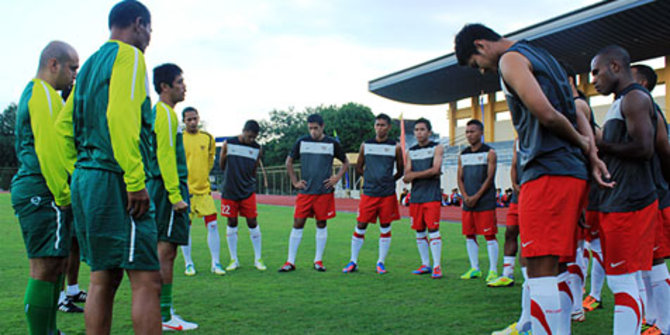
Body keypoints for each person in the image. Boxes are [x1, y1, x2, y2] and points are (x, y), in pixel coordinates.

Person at [455, 23, 611, 335]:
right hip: (568, 172)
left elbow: (547, 113)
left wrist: (582, 144)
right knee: (557, 265)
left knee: (538, 267)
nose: (483, 71)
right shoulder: (544, 55)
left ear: (480, 45)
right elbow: (579, 109)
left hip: (547, 171)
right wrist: (590, 153)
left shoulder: (510, 60)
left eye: (476, 64)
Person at [55, 1, 163, 333]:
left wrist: (81, 172)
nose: (150, 37)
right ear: (138, 23)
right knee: (147, 279)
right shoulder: (129, 56)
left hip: (87, 180)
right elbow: (120, 117)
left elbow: (62, 128)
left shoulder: (86, 66)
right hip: (116, 179)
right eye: (150, 29)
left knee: (103, 277)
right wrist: (134, 179)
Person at [12, 40, 78, 335]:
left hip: (40, 189)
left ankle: (50, 330)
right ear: (54, 64)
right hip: (42, 191)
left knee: (55, 267)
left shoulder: (43, 94)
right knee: (44, 269)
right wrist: (63, 195)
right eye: (72, 68)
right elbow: (50, 150)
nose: (75, 75)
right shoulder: (43, 94)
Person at [591, 45, 658, 335]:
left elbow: (644, 148)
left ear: (615, 66)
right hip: (620, 200)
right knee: (627, 277)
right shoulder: (624, 100)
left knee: (622, 278)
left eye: (596, 71)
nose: (593, 79)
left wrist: (602, 144)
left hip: (629, 201)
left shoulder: (634, 98)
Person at [146, 63, 198, 331]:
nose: (184, 86)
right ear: (164, 86)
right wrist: (175, 195)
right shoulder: (164, 114)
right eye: (179, 81)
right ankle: (164, 316)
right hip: (168, 190)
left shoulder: (167, 115)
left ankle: (164, 310)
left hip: (168, 187)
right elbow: (164, 156)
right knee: (165, 251)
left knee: (169, 250)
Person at [279, 114, 349, 272]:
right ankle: (290, 261)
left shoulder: (332, 143)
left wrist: (336, 178)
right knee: (298, 223)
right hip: (306, 191)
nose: (313, 131)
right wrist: (295, 181)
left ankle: (318, 261)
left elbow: (346, 162)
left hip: (324, 192)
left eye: (316, 128)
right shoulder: (302, 141)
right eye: (310, 128)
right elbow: (288, 161)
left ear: (322, 127)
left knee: (321, 223)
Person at [630, 64, 670, 335]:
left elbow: (661, 151)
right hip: (644, 196)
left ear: (642, 83)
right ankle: (654, 318)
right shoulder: (640, 110)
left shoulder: (648, 110)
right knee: (646, 259)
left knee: (655, 260)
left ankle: (665, 325)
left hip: (654, 195)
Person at [342, 113, 403, 274]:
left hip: (387, 194)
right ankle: (353, 261)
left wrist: (390, 181)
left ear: (389, 127)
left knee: (385, 226)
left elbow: (401, 169)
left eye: (383, 125)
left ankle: (380, 262)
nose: (379, 128)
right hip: (369, 193)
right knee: (361, 224)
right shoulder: (365, 145)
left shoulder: (395, 146)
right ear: (374, 126)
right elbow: (359, 167)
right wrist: (370, 178)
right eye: (377, 125)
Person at [181, 106, 225, 276]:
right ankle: (188, 263)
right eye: (188, 119)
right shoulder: (179, 139)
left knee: (213, 225)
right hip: (186, 191)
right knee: (186, 228)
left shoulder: (207, 138)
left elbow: (210, 159)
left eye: (194, 118)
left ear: (198, 118)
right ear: (184, 121)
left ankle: (216, 263)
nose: (192, 122)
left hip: (204, 190)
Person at [219, 120, 266, 272]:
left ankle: (258, 259)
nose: (251, 139)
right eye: (249, 136)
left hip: (247, 191)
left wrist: (248, 181)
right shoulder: (229, 143)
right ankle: (234, 259)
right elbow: (222, 164)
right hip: (230, 190)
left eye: (254, 137)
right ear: (243, 131)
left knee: (252, 222)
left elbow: (254, 168)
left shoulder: (257, 148)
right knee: (232, 222)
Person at [457, 119, 499, 283]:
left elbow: (490, 177)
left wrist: (476, 196)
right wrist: (465, 196)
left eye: (472, 131)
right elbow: (459, 178)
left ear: (481, 133)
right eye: (467, 132)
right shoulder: (463, 154)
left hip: (485, 201)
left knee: (489, 235)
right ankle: (475, 268)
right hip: (468, 201)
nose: (469, 135)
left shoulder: (490, 153)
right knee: (469, 235)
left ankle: (493, 270)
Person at [403, 118, 444, 279]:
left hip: (431, 196)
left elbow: (436, 169)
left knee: (433, 229)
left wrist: (415, 175)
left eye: (422, 129)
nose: (419, 133)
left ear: (429, 132)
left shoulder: (437, 148)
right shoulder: (410, 151)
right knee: (419, 231)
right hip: (416, 197)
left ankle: (437, 266)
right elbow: (406, 176)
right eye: (416, 130)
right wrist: (420, 174)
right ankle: (425, 264)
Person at [489, 139, 520, 288]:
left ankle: (533, 277)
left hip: (536, 193)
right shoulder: (518, 141)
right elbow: (514, 165)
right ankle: (507, 274)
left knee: (531, 237)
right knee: (510, 232)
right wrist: (515, 184)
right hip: (518, 196)